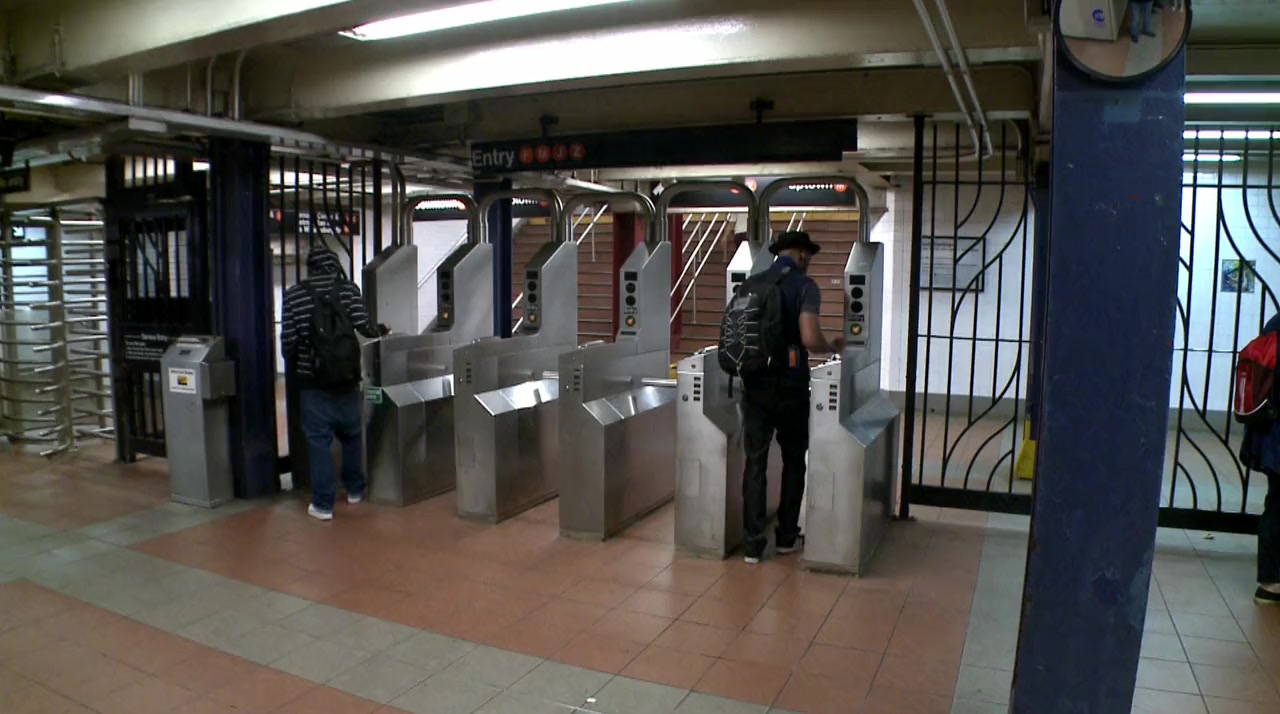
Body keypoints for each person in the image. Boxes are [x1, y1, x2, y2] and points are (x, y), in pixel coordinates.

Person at [740, 231, 845, 564]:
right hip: (790, 383)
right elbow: (809, 337)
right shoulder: (805, 286)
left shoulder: (752, 283)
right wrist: (831, 346)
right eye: (808, 254)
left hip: (754, 381)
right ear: (801, 254)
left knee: (755, 461)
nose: (808, 260)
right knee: (794, 459)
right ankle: (786, 536)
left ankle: (752, 544)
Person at [281, 246, 387, 521]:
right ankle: (354, 490)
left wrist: (298, 366)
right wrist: (382, 329)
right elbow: (365, 327)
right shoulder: (348, 290)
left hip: (313, 380)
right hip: (346, 376)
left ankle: (323, 505)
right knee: (351, 434)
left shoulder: (294, 295)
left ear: (310, 268)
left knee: (318, 441)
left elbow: (288, 342)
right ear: (335, 266)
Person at [1239, 314, 1280, 606]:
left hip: (1271, 429)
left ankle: (1271, 581)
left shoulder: (1275, 323)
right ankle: (1271, 582)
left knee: (1276, 503)